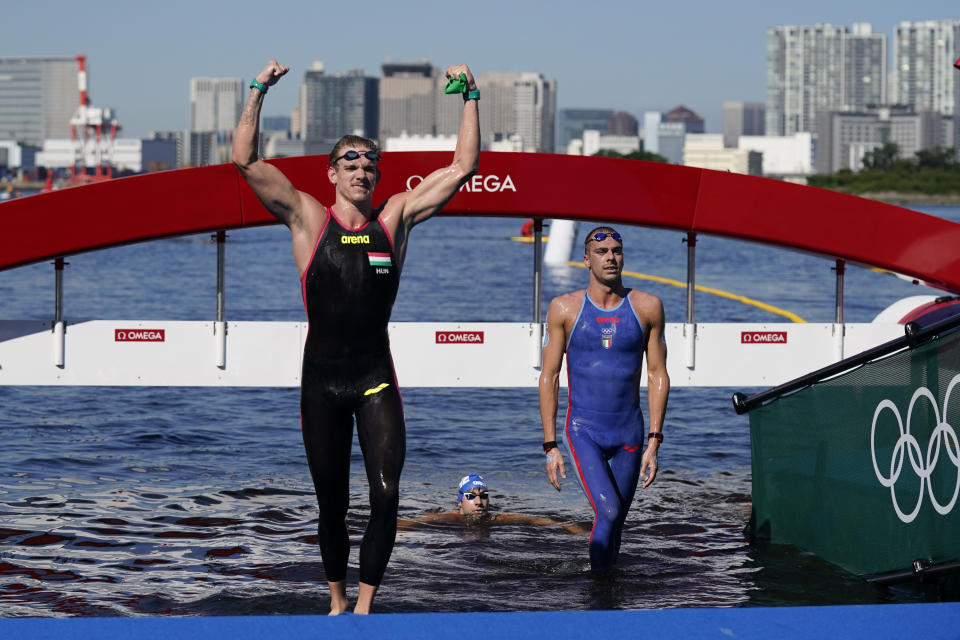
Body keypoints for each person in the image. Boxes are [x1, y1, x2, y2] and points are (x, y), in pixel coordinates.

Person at [232, 59, 480, 615]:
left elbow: (463, 166)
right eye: (351, 161)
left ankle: (366, 607)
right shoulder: (307, 219)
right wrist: (258, 90)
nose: (363, 170)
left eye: (371, 163)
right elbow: (244, 159)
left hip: (374, 378)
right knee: (332, 504)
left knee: (388, 497)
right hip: (321, 384)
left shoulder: (394, 221)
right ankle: (336, 602)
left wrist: (471, 96)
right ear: (332, 173)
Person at [538, 226, 670, 572]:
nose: (610, 257)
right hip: (584, 430)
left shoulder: (648, 307)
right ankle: (595, 593)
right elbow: (549, 376)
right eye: (601, 252)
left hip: (630, 432)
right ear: (586, 259)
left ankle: (609, 595)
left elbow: (658, 374)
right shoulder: (564, 308)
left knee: (617, 523)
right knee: (608, 511)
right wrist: (550, 445)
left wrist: (654, 441)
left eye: (616, 250)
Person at [397, 474, 588, 533]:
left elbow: (534, 520)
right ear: (460, 503)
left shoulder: (496, 518)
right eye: (471, 497)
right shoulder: (449, 517)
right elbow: (412, 523)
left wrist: (569, 527)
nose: (479, 502)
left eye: (483, 496)